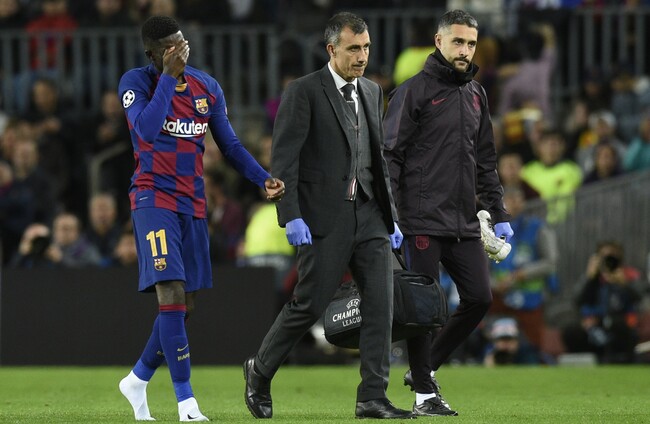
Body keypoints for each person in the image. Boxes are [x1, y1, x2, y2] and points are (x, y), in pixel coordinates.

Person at [116, 15, 285, 422]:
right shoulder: (135, 83)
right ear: (152, 53)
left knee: (185, 304)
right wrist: (168, 79)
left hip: (192, 203)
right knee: (171, 292)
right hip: (153, 198)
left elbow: (229, 145)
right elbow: (146, 131)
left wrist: (262, 178)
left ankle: (138, 378)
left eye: (182, 42)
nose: (181, 51)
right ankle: (186, 402)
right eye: (170, 48)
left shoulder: (206, 87)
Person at [243, 12, 411, 420]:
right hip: (323, 217)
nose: (362, 56)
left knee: (381, 305)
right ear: (332, 49)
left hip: (370, 214)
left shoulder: (371, 91)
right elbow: (284, 159)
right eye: (354, 48)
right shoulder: (303, 91)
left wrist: (391, 218)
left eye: (366, 47)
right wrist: (290, 215)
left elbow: (376, 160)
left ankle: (372, 397)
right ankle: (259, 371)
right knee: (309, 304)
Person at [383, 10, 513, 417]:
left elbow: (486, 160)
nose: (465, 50)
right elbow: (390, 156)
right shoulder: (413, 91)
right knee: (422, 310)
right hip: (420, 219)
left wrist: (498, 211)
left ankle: (424, 370)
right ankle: (425, 395)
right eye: (458, 41)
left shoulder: (477, 95)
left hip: (463, 221)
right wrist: (390, 215)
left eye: (471, 43)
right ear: (438, 42)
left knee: (479, 298)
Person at [561, 240, 645, 364]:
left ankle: (619, 361)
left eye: (612, 256)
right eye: (604, 257)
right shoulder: (591, 278)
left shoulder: (629, 276)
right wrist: (589, 278)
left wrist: (624, 283)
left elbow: (640, 300)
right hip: (593, 327)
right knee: (571, 331)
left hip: (619, 326)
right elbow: (577, 301)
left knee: (618, 326)